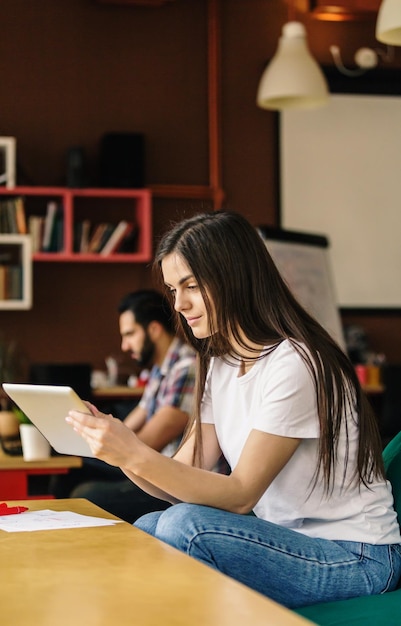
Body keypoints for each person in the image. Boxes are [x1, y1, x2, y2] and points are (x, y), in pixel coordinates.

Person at [66, 211, 401, 610]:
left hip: (357, 557)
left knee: (183, 527)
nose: (180, 304)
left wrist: (134, 452)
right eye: (173, 289)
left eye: (190, 286)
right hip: (290, 542)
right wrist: (117, 452)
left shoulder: (295, 363)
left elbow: (241, 495)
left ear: (233, 277)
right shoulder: (221, 364)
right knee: (150, 526)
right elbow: (178, 482)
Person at [55, 289, 196, 523]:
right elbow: (131, 425)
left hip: (165, 478)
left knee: (86, 494)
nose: (124, 345)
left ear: (154, 329)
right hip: (144, 465)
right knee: (70, 471)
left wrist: (106, 435)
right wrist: (98, 430)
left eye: (130, 334)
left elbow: (148, 442)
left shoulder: (186, 369)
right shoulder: (160, 369)